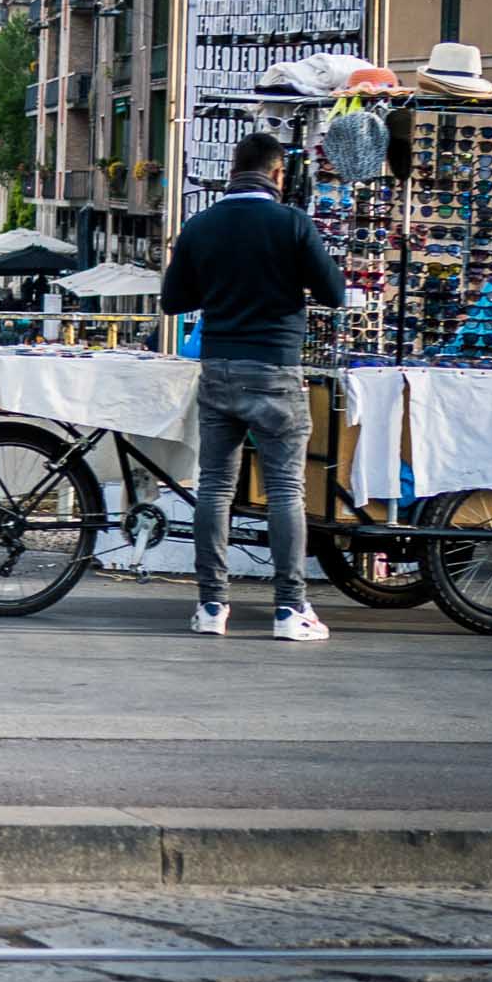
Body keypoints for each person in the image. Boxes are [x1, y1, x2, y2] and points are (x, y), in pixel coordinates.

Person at [161, 131, 345, 643]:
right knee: (286, 489)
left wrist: (218, 286)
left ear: (233, 171)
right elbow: (334, 292)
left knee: (216, 488)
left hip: (219, 366)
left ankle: (211, 606)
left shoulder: (200, 226)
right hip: (276, 369)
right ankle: (289, 611)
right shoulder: (291, 224)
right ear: (278, 174)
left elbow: (174, 301)